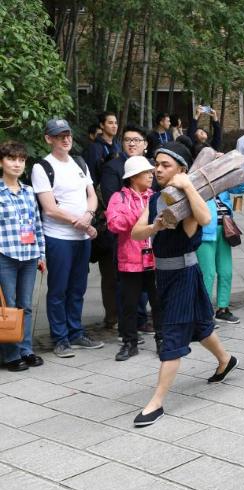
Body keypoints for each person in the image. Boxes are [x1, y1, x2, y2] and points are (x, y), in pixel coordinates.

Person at [130, 141, 238, 426]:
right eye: (156, 163)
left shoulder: (189, 198)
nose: (158, 169)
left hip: (184, 275)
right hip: (163, 275)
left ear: (181, 169)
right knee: (201, 325)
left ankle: (156, 402)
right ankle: (226, 360)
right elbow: (136, 233)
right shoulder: (156, 199)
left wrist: (188, 186)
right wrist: (154, 226)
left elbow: (206, 218)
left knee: (172, 334)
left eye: (165, 165)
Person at [32, 119, 105, 358]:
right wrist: (81, 223)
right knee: (58, 289)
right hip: (58, 237)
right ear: (48, 138)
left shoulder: (79, 162)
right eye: (59, 135)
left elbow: (92, 195)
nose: (66, 139)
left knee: (78, 287)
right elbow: (50, 208)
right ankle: (60, 338)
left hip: (81, 238)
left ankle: (76, 332)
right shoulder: (42, 167)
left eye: (68, 135)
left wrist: (89, 216)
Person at [105, 156, 163, 361]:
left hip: (155, 258)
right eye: (146, 172)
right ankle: (129, 342)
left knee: (158, 302)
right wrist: (141, 214)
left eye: (150, 171)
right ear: (133, 177)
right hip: (130, 259)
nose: (151, 175)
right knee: (128, 304)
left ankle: (162, 339)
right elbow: (114, 224)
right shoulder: (119, 198)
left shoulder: (156, 196)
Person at [99, 124, 154, 337]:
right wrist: (141, 213)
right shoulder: (113, 167)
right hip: (125, 240)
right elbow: (113, 209)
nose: (131, 143)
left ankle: (145, 323)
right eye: (127, 140)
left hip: (150, 245)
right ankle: (128, 332)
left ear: (145, 144)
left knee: (151, 291)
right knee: (128, 291)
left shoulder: (151, 169)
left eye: (136, 140)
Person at [0, 141, 45, 371]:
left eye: (21, 159)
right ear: (1, 162)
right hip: (5, 255)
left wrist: (41, 254)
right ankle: (10, 355)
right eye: (11, 159)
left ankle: (26, 349)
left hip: (29, 256)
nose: (17, 164)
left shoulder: (28, 191)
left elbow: (37, 224)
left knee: (26, 306)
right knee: (8, 307)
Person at [197, 174, 244, 325]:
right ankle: (204, 313)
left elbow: (241, 187)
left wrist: (237, 169)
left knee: (226, 271)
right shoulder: (197, 182)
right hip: (205, 233)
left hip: (225, 231)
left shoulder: (222, 181)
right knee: (208, 273)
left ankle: (223, 309)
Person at [85, 112, 121, 184]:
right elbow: (91, 172)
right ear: (102, 125)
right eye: (110, 123)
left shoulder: (117, 145)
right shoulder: (94, 147)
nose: (114, 126)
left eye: (116, 123)